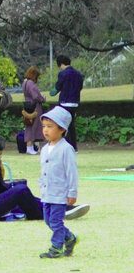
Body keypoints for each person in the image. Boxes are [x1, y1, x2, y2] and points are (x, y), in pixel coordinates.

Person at [39, 107, 81, 258]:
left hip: (59, 193)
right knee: (48, 221)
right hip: (47, 193)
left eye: (50, 127)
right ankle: (70, 238)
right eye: (44, 126)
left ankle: (56, 248)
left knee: (56, 221)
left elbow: (72, 172)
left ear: (62, 129)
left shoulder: (66, 149)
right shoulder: (44, 149)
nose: (45, 130)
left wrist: (72, 192)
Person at [52, 55, 83, 149]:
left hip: (64, 102)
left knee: (62, 125)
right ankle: (73, 146)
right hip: (75, 102)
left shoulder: (63, 74)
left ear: (60, 64)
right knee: (71, 124)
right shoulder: (78, 74)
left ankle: (63, 145)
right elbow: (80, 87)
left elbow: (58, 87)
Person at [20, 66, 46, 155]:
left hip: (28, 106)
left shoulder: (25, 83)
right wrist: (42, 98)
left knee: (29, 125)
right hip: (34, 107)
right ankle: (30, 148)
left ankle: (31, 147)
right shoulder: (31, 83)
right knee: (33, 126)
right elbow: (36, 96)